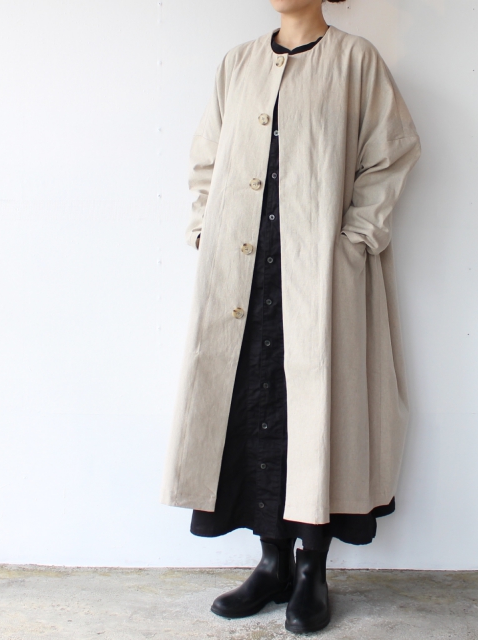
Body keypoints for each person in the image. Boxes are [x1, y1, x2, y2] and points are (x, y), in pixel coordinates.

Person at [161, 0, 421, 633]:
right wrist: (204, 229)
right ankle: (271, 562)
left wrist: (356, 239)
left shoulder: (356, 61)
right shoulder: (238, 64)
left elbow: (391, 154)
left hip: (319, 274)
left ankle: (312, 571)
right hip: (242, 274)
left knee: (319, 409)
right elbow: (206, 158)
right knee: (252, 404)